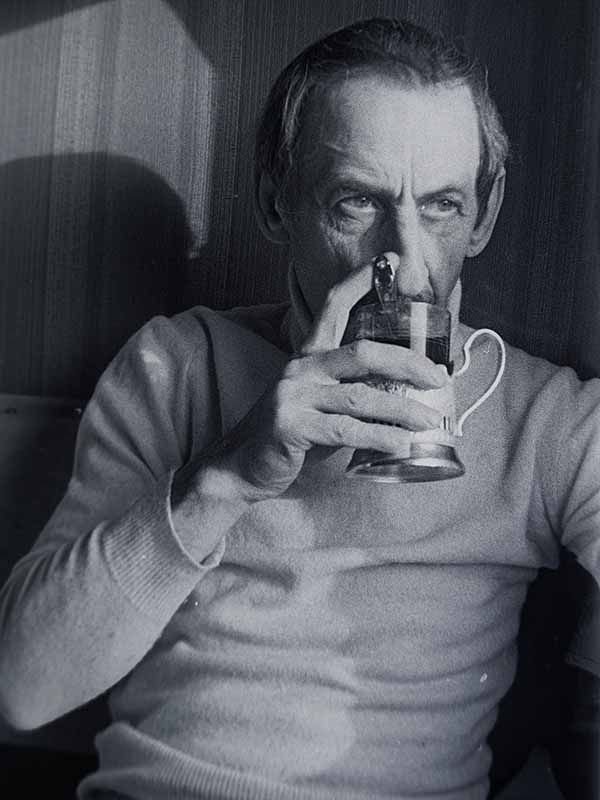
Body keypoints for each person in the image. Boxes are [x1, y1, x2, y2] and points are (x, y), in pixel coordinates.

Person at [0, 16, 598, 800]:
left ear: (484, 215)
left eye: (442, 206)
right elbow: (24, 688)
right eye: (357, 203)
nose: (404, 262)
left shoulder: (544, 420)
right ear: (275, 203)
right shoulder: (178, 366)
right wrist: (225, 479)